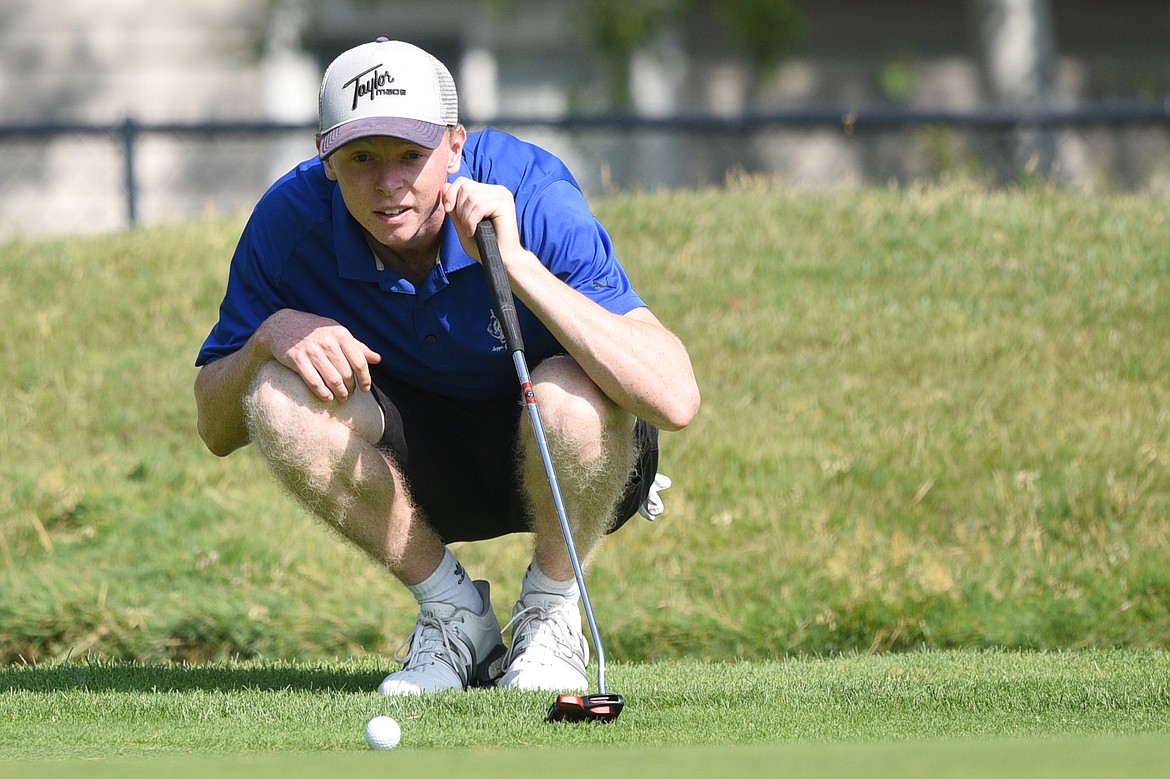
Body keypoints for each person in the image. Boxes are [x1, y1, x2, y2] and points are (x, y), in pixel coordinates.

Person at [193, 38, 699, 696]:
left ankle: (549, 613)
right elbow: (215, 426)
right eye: (362, 157)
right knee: (278, 395)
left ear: (455, 147)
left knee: (569, 394)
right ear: (326, 158)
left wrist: (515, 265)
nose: (389, 182)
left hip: (563, 451)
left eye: (412, 154)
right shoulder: (288, 225)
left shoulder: (531, 187)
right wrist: (268, 335)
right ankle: (456, 616)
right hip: (418, 472)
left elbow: (675, 398)